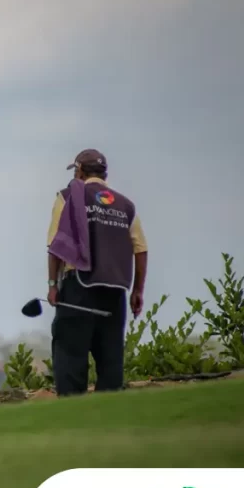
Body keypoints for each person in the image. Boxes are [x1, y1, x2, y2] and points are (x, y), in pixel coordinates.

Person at [46, 149, 147, 396]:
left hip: (78, 287)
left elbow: (56, 245)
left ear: (79, 171)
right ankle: (109, 414)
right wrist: (137, 291)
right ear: (105, 174)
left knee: (70, 357)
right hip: (115, 290)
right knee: (111, 360)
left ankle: (72, 413)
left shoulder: (67, 196)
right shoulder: (126, 205)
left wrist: (52, 285)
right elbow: (141, 249)